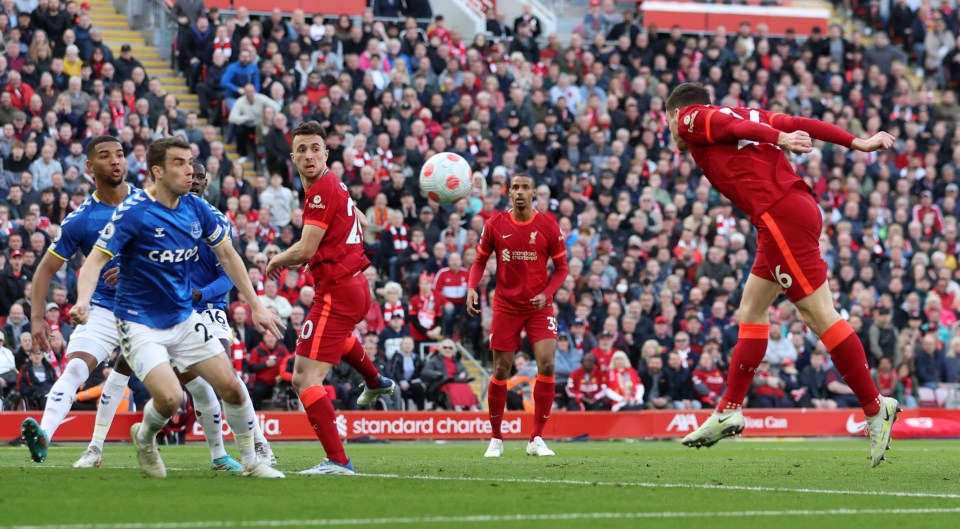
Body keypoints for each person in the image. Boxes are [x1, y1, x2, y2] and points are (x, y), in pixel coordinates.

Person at [665, 82, 899, 466]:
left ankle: (876, 409)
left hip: (779, 215)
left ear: (675, 113)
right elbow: (798, 121)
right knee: (752, 310)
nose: (672, 131)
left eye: (668, 121)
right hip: (783, 213)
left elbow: (768, 129)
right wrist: (855, 142)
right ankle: (728, 410)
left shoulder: (692, 117)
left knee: (819, 314)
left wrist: (781, 139)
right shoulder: (740, 112)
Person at [68, 137, 284, 479]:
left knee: (229, 385)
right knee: (170, 399)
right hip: (139, 321)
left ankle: (252, 460)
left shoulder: (198, 209)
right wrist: (82, 301)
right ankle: (145, 436)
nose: (190, 171)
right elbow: (94, 261)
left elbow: (228, 255)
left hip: (183, 316)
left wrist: (256, 304)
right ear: (158, 171)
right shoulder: (133, 211)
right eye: (180, 163)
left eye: (191, 162)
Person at [265, 121, 396, 475]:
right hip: (350, 286)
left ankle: (339, 461)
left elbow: (307, 248)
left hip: (338, 290)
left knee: (304, 380)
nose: (308, 155)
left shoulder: (322, 191)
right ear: (292, 156)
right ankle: (375, 380)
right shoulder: (334, 185)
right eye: (302, 149)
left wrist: (276, 258)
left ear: (326, 153)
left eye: (315, 149)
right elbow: (364, 220)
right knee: (335, 340)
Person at [21, 135, 137, 466]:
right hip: (101, 307)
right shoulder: (81, 218)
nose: (116, 161)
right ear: (90, 167)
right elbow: (44, 271)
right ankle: (44, 435)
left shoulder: (147, 203)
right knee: (75, 367)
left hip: (148, 308)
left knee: (188, 382)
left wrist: (133, 269)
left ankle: (244, 447)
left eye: (120, 154)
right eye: (105, 156)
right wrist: (37, 319)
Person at [466, 173, 568, 458]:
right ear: (508, 193)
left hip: (538, 307)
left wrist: (547, 294)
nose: (520, 192)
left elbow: (561, 270)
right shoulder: (495, 224)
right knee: (501, 370)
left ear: (534, 193)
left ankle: (535, 438)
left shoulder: (548, 226)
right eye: (515, 188)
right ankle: (496, 438)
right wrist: (472, 287)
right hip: (506, 306)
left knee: (547, 365)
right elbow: (479, 261)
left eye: (525, 188)